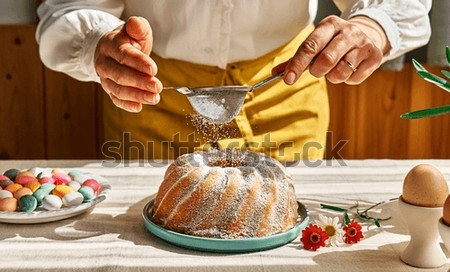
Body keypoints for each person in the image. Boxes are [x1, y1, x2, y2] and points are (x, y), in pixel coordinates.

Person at [36, 0, 432, 162]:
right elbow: (69, 7)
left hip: (284, 90)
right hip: (153, 96)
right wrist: (98, 43)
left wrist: (372, 24)